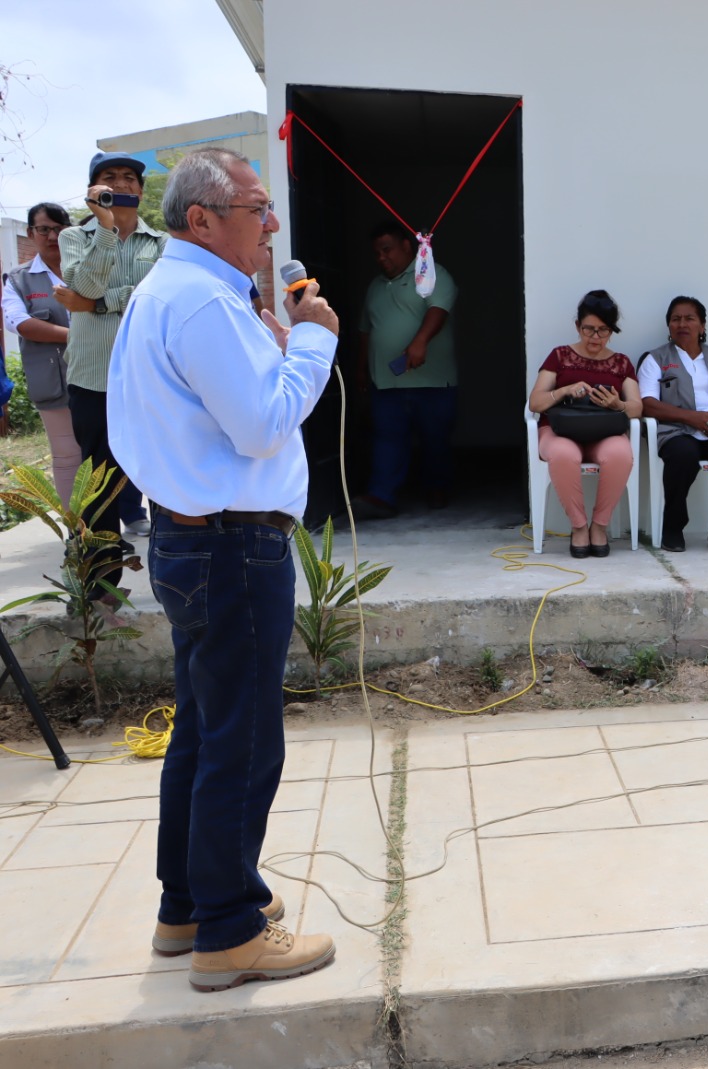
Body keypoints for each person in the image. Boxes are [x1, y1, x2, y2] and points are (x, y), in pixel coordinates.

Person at [106, 147, 338, 991]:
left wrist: (276, 342)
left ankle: (189, 905)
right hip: (233, 547)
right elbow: (263, 424)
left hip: (194, 537)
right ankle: (231, 932)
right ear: (202, 218)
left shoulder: (177, 291)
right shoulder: (202, 300)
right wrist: (313, 345)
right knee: (241, 738)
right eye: (255, 207)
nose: (271, 223)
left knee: (205, 728)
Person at [57, 151, 165, 545]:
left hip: (150, 378)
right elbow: (83, 287)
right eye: (109, 176)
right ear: (93, 188)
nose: (120, 183)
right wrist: (104, 228)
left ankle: (174, 578)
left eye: (128, 177)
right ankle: (99, 586)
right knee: (98, 483)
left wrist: (100, 305)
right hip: (94, 379)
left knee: (162, 475)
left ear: (140, 189)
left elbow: (161, 296)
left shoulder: (163, 243)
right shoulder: (73, 237)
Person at [350, 220, 459, 519]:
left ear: (406, 247)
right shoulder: (375, 286)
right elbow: (365, 331)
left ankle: (438, 488)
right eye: (377, 253)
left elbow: (439, 308)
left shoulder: (430, 276)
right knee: (386, 439)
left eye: (387, 250)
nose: (382, 258)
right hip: (386, 382)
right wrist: (361, 370)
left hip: (432, 381)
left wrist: (419, 342)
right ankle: (381, 496)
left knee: (434, 438)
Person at [527, 290, 642, 557]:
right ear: (577, 326)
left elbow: (637, 407)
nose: (595, 338)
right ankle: (579, 527)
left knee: (620, 454)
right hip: (560, 430)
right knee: (564, 454)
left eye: (603, 331)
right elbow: (535, 402)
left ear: (612, 331)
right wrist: (564, 391)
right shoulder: (560, 356)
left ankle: (599, 526)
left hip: (604, 431)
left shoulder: (621, 363)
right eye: (589, 329)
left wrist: (618, 405)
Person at [638, 296, 708, 554]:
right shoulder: (656, 359)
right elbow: (647, 404)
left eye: (689, 318)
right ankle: (673, 528)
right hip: (676, 431)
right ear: (668, 326)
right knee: (683, 455)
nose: (682, 324)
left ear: (702, 325)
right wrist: (693, 418)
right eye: (675, 319)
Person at [3, 203, 82, 501]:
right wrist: (79, 337)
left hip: (100, 378)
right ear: (30, 233)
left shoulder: (87, 267)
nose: (52, 236)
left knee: (106, 452)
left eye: (59, 229)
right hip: (53, 381)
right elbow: (20, 323)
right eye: (44, 229)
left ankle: (116, 526)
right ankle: (77, 533)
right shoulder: (19, 279)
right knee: (67, 457)